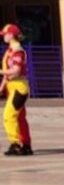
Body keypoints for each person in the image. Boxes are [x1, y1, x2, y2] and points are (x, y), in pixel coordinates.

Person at [0, 24, 32, 156]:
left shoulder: (18, 51)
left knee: (8, 115)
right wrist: (2, 87)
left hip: (19, 88)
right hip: (12, 87)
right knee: (20, 117)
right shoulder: (10, 51)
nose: (3, 37)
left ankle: (16, 144)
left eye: (5, 34)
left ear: (12, 35)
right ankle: (25, 145)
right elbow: (8, 73)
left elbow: (16, 70)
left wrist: (0, 72)